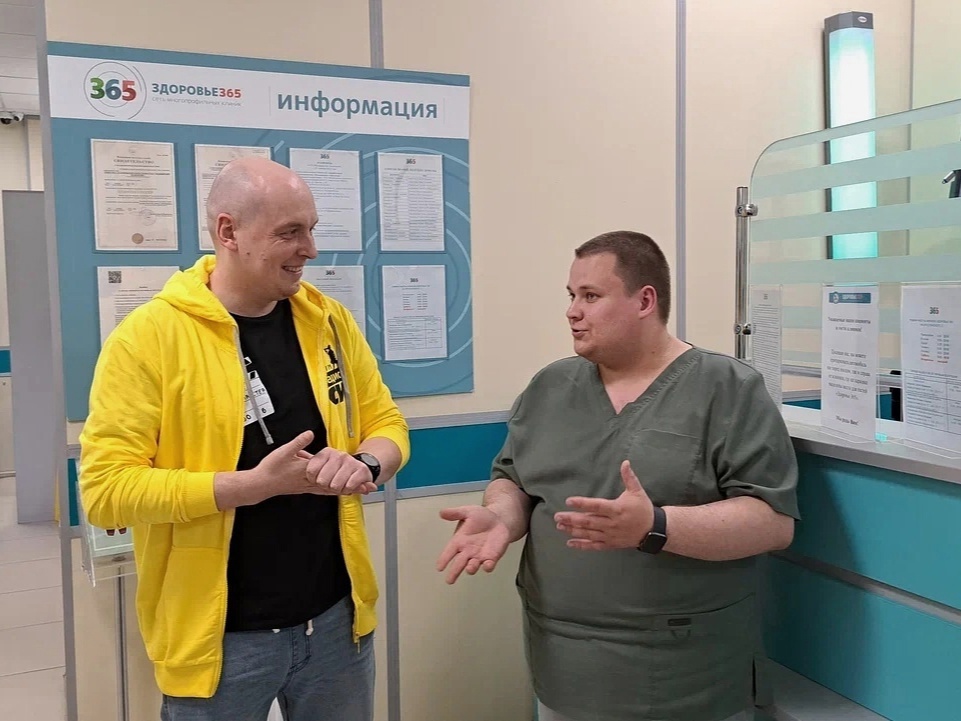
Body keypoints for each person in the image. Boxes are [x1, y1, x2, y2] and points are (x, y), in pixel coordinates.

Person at [80, 157, 409, 721]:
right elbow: (106, 492)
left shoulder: (327, 321)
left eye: (311, 229)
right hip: (222, 642)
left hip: (336, 624)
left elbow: (386, 423)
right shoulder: (148, 339)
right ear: (228, 232)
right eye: (290, 232)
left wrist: (366, 464)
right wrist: (250, 486)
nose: (310, 250)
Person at [437, 231, 799, 721]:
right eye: (571, 296)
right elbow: (514, 479)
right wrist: (501, 517)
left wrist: (655, 526)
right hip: (563, 667)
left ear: (645, 301)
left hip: (683, 673)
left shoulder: (727, 388)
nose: (572, 311)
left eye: (591, 296)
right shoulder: (551, 386)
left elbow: (772, 522)